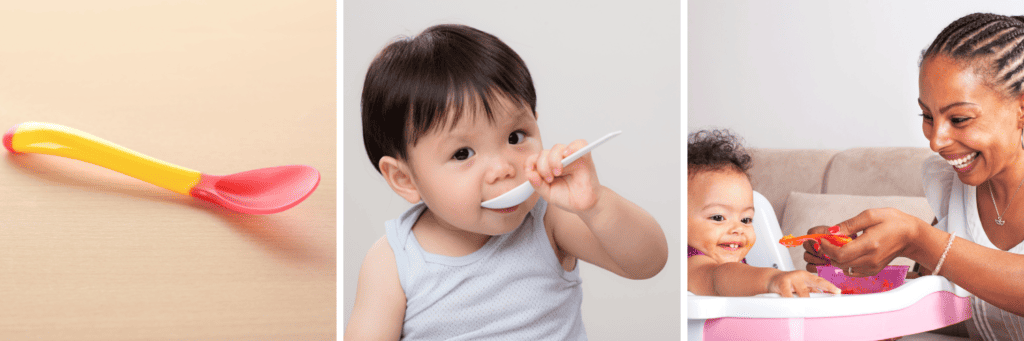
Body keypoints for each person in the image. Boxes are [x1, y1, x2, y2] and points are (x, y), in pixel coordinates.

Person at [345, 24, 669, 340]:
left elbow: (648, 262)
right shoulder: (393, 261)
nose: (503, 168)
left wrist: (595, 205)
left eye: (515, 136)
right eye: (462, 154)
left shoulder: (548, 219)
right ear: (405, 179)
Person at [803, 13, 1024, 340]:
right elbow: (930, 302)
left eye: (959, 118)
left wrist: (918, 240)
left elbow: (932, 248)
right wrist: (855, 268)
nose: (936, 141)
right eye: (927, 116)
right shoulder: (954, 187)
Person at [688, 129, 840, 297]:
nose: (738, 229)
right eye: (718, 217)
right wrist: (772, 279)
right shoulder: (690, 265)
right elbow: (718, 278)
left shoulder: (731, 259)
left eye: (746, 219)